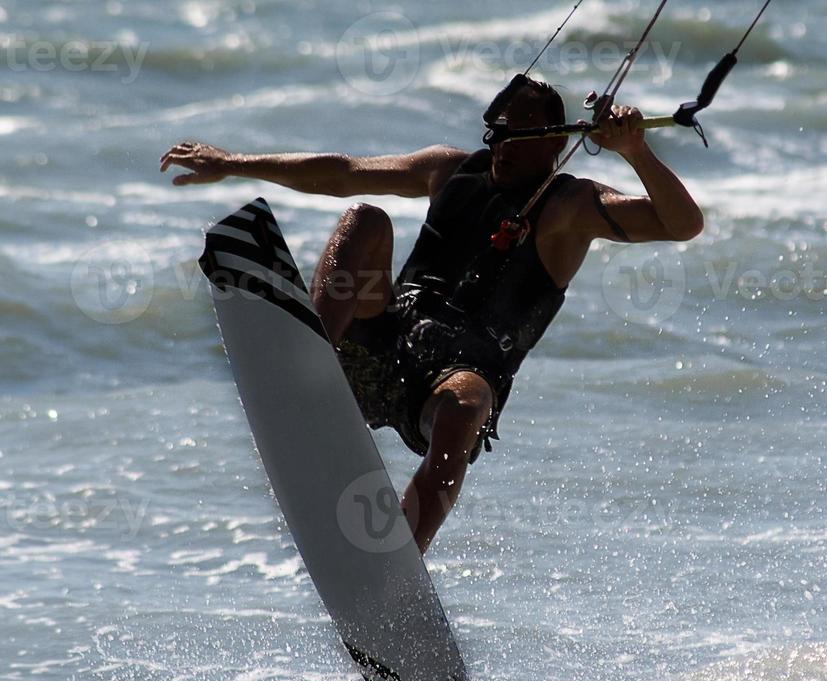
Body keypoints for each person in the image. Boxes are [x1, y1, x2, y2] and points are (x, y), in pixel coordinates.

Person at [161, 77, 704, 553]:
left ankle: (395, 560)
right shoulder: (448, 169)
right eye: (499, 129)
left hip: (455, 376)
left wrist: (634, 151)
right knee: (366, 218)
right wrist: (232, 164)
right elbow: (343, 171)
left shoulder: (570, 207)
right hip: (385, 339)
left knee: (467, 406)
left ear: (558, 141)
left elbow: (681, 224)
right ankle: (314, 371)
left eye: (523, 132)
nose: (504, 143)